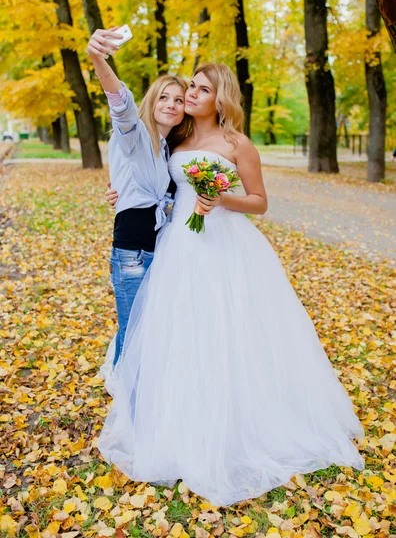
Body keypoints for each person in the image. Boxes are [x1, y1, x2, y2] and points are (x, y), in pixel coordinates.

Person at [99, 63, 364, 507]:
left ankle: (238, 419)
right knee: (180, 331)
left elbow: (260, 202)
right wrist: (119, 193)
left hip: (225, 243)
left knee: (228, 328)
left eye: (201, 89)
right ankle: (176, 417)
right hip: (176, 245)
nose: (191, 95)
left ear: (220, 96)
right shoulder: (176, 137)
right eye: (191, 89)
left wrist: (223, 198)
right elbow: (152, 180)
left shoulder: (237, 144)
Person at [87, 27, 191, 370]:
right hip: (132, 252)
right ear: (152, 100)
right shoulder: (135, 133)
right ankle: (125, 408)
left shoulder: (165, 148)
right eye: (164, 97)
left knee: (150, 331)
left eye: (178, 100)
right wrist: (98, 59)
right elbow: (120, 105)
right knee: (132, 333)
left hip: (159, 249)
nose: (171, 105)